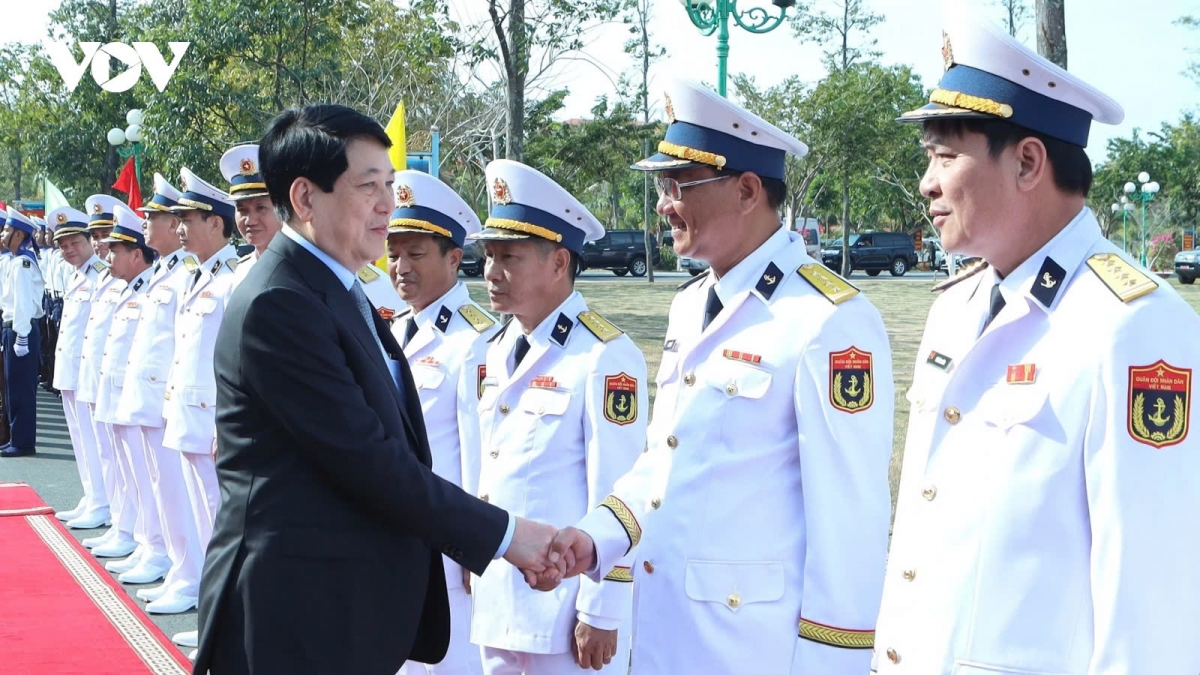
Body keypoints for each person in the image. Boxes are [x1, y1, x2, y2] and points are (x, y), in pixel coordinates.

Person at [868, 6, 1200, 674]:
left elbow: (1150, 605)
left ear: (1027, 161)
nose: (927, 182)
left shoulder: (1133, 325)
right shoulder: (956, 307)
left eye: (945, 155)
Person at [545, 78, 896, 674]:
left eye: (677, 186)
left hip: (752, 648)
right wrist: (597, 536)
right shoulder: (691, 303)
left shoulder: (827, 321)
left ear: (747, 190)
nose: (662, 204)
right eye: (661, 186)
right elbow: (665, 459)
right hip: (667, 634)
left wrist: (829, 665)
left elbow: (850, 522)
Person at [194, 103, 559, 675]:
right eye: (368, 186)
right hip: (292, 615)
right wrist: (507, 535)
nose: (387, 203)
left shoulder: (332, 283)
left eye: (388, 183)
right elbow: (367, 459)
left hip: (338, 608)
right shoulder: (281, 302)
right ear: (305, 198)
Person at [469, 159, 647, 675]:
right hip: (500, 597)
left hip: (567, 610)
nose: (492, 272)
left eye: (510, 257)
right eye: (489, 256)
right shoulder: (497, 348)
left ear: (558, 262)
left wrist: (603, 608)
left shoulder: (603, 356)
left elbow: (620, 491)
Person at [387, 170, 498, 675]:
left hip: (448, 550)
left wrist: (473, 549)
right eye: (393, 253)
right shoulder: (393, 329)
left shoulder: (477, 341)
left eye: (416, 254)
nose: (400, 267)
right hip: (395, 534)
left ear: (455, 258)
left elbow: (480, 455)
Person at [148, 166, 239, 618]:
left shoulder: (231, 280)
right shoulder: (194, 276)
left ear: (217, 224)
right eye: (177, 221)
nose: (179, 229)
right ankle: (206, 603)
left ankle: (224, 616)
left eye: (188, 221)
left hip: (212, 423)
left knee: (218, 525)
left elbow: (234, 364)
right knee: (199, 518)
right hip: (186, 415)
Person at [114, 175, 204, 626]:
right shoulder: (167, 272)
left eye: (159, 218)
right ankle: (171, 561)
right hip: (161, 399)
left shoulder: (192, 271)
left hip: (180, 402)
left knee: (181, 494)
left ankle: (189, 574)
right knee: (162, 487)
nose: (149, 224)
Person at [94, 204, 171, 587]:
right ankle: (144, 540)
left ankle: (159, 550)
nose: (107, 257)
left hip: (155, 401)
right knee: (136, 475)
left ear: (135, 254)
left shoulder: (160, 282)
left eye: (115, 250)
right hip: (130, 396)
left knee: (157, 479)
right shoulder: (143, 285)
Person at [75, 195, 135, 559]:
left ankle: (126, 525)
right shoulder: (105, 278)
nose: (100, 243)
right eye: (96, 235)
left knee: (132, 465)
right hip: (100, 376)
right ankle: (110, 510)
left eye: (106, 236)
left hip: (128, 385)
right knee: (105, 450)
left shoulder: (125, 279)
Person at [48, 205, 112, 527]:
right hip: (71, 370)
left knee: (97, 441)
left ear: (89, 240)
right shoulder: (76, 276)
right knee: (80, 437)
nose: (69, 250)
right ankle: (91, 495)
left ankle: (103, 502)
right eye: (63, 245)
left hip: (90, 372)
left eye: (75, 242)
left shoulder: (102, 274)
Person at [1, 207, 46, 457]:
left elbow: (22, 304)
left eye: (7, 230)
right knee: (14, 385)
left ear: (19, 235)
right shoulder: (17, 261)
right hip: (16, 331)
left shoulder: (22, 264)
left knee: (21, 387)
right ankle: (18, 436)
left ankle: (23, 440)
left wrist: (20, 336)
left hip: (22, 331)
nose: (3, 234)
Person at [219, 144, 284, 289]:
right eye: (242, 210)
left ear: (281, 208)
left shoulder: (300, 271)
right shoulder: (241, 270)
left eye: (260, 208)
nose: (250, 220)